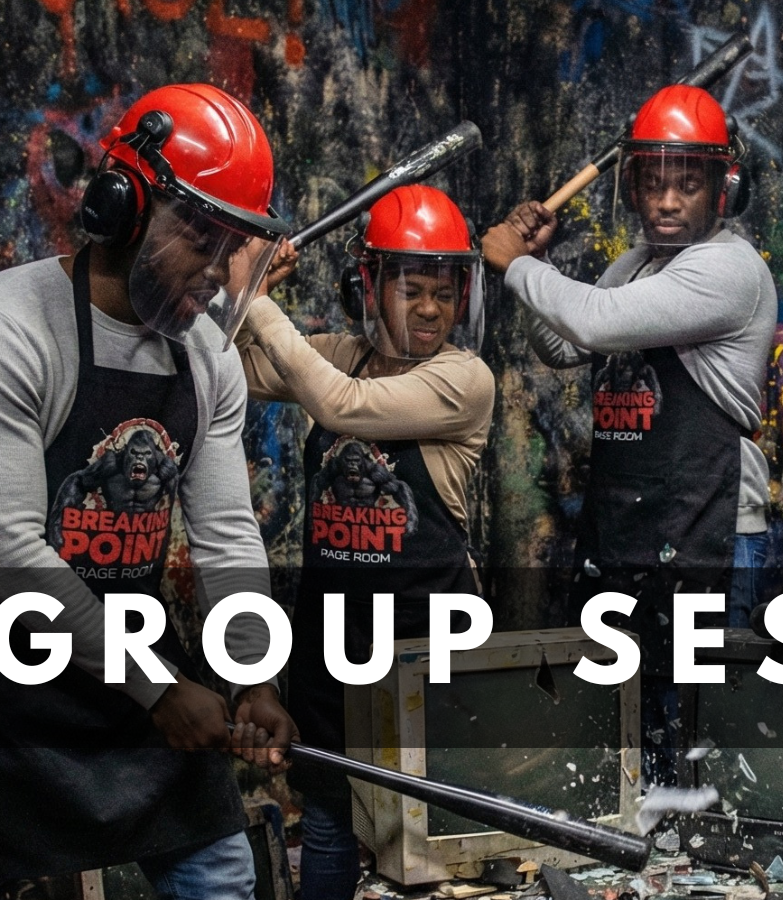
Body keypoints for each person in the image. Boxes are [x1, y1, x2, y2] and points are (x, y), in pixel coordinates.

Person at [0, 83, 297, 898]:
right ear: (122, 206)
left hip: (131, 659)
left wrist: (253, 673)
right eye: (200, 238)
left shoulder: (208, 359)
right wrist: (160, 689)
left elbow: (226, 531)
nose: (216, 274)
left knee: (220, 878)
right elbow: (10, 554)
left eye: (233, 248)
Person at [481, 84, 777, 780]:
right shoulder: (640, 263)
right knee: (626, 741)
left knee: (696, 744)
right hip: (634, 535)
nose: (667, 201)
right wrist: (537, 264)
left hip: (710, 534)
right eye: (652, 182)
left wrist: (518, 266)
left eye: (687, 184)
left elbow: (594, 321)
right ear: (632, 186)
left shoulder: (728, 267)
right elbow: (563, 346)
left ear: (724, 189)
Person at [234, 184, 494, 899]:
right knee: (328, 824)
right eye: (411, 290)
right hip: (333, 647)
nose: (430, 309)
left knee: (427, 847)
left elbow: (339, 405)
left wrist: (257, 306)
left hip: (426, 653)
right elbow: (225, 370)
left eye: (444, 293)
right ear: (367, 289)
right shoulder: (340, 356)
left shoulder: (463, 379)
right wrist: (245, 288)